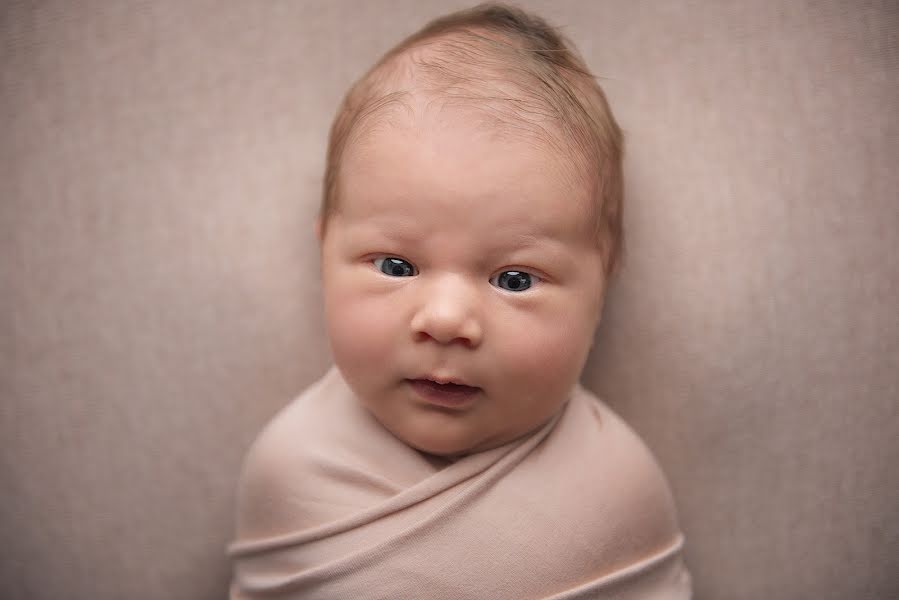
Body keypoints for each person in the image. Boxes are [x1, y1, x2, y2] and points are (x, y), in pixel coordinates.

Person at [228, 4, 691, 598]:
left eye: (515, 280)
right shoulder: (288, 469)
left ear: (605, 281)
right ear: (323, 254)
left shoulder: (620, 486)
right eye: (396, 267)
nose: (446, 320)